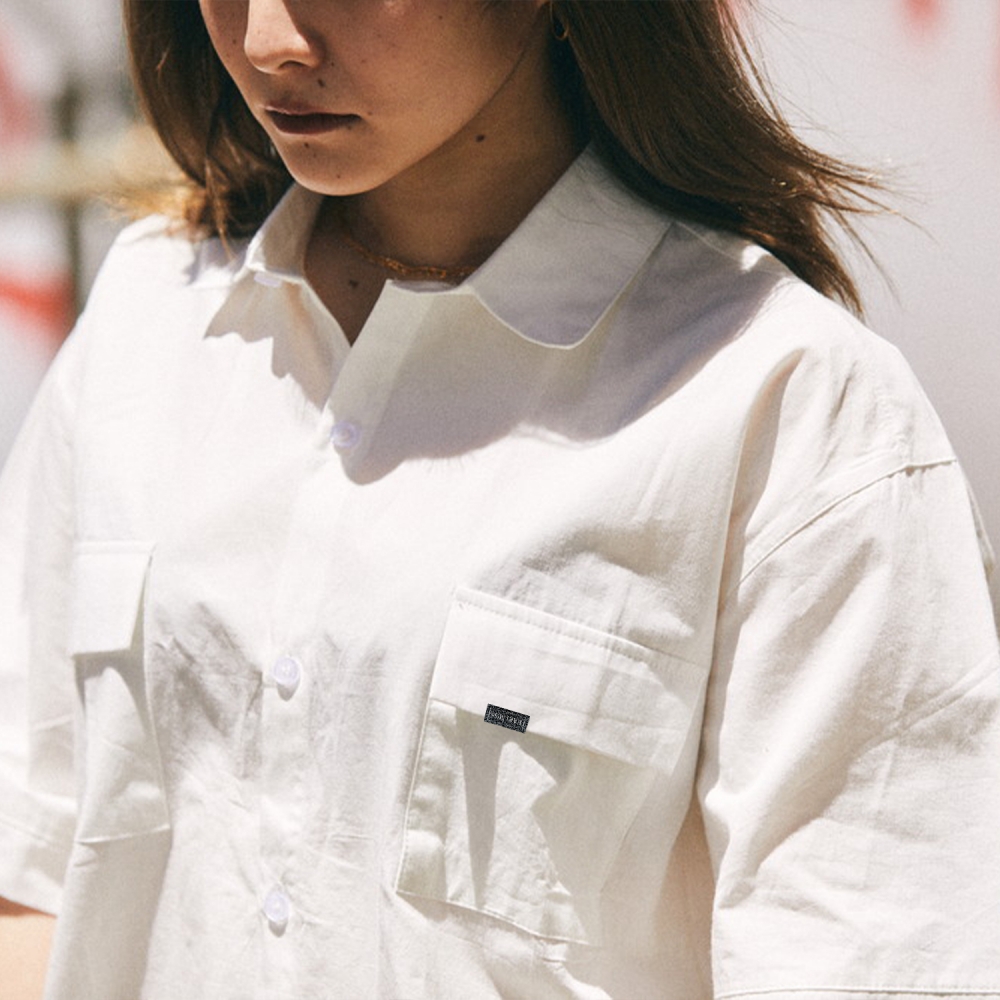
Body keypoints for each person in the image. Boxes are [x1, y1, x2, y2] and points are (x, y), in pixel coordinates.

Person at [1, 1, 998, 997]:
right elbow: (33, 879)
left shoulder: (787, 405)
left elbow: (875, 960)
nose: (269, 42)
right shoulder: (149, 319)